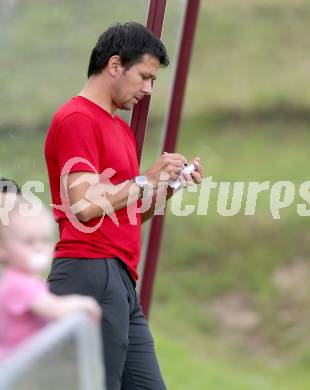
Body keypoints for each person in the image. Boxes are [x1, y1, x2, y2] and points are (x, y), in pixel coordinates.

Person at [45, 22, 203, 390]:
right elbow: (85, 205)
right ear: (115, 65)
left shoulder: (119, 129)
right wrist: (147, 178)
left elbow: (131, 215)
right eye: (144, 77)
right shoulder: (78, 118)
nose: (148, 90)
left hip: (119, 279)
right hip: (89, 269)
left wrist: (170, 185)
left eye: (153, 81)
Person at [0, 193, 101, 360]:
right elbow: (56, 309)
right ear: (3, 248)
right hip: (13, 370)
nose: (39, 248)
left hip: (26, 366)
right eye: (29, 242)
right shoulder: (18, 284)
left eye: (45, 240)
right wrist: (86, 303)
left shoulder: (29, 280)